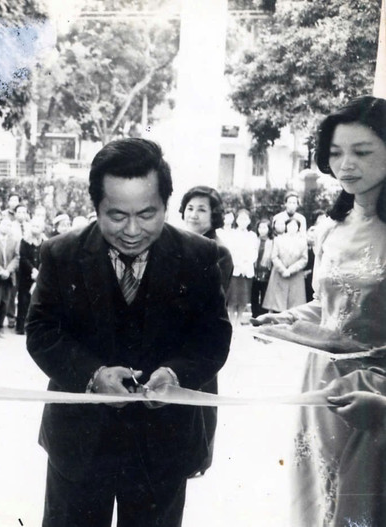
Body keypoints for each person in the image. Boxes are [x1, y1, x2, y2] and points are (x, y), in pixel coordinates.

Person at [27, 138, 232, 527]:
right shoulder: (61, 254)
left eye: (147, 214)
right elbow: (40, 332)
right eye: (117, 215)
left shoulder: (201, 257)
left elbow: (213, 339)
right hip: (80, 445)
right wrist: (92, 376)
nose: (133, 231)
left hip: (163, 445)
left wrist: (176, 376)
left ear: (167, 205)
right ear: (96, 207)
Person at [254, 96, 386, 527]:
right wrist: (288, 321)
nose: (346, 164)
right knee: (316, 503)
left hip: (373, 395)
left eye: (362, 152)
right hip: (320, 387)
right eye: (335, 153)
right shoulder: (330, 227)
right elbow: (327, 306)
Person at [177, 185, 233, 478]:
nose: (194, 214)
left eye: (202, 209)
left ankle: (200, 458)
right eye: (190, 208)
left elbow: (213, 299)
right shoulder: (177, 242)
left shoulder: (218, 250)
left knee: (202, 398)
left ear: (214, 215)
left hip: (202, 336)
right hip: (178, 335)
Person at [261, 218, 308, 312]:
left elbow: (304, 259)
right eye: (290, 225)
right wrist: (283, 270)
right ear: (286, 226)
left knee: (294, 304)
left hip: (295, 275)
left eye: (295, 225)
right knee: (277, 303)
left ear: (298, 228)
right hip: (279, 274)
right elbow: (274, 256)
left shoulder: (302, 241)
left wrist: (290, 270)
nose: (292, 228)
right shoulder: (279, 239)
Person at [225, 208, 258, 325]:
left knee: (243, 300)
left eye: (246, 219)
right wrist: (238, 264)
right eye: (240, 218)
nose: (243, 221)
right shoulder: (232, 234)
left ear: (249, 221)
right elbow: (230, 251)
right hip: (235, 269)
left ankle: (238, 322)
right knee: (232, 298)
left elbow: (254, 253)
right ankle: (231, 321)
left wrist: (246, 264)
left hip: (247, 270)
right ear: (236, 220)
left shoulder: (252, 236)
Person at [16, 216, 47, 335]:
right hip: (26, 275)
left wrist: (39, 271)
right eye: (33, 226)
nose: (35, 228)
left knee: (36, 300)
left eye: (37, 226)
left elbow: (45, 258)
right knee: (23, 300)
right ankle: (20, 326)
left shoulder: (45, 241)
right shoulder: (24, 240)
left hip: (39, 274)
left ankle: (32, 326)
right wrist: (32, 269)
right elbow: (23, 257)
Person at [0, 215, 19, 338]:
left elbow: (17, 257)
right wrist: (1, 270)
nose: (6, 227)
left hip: (9, 276)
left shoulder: (14, 240)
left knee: (5, 303)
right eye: (4, 224)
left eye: (9, 225)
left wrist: (8, 270)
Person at [250, 219, 274, 318]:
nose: (262, 230)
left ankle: (263, 316)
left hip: (267, 272)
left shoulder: (272, 242)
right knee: (254, 295)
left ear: (269, 229)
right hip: (254, 271)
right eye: (260, 227)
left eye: (265, 227)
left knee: (265, 295)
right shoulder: (254, 240)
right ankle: (254, 315)